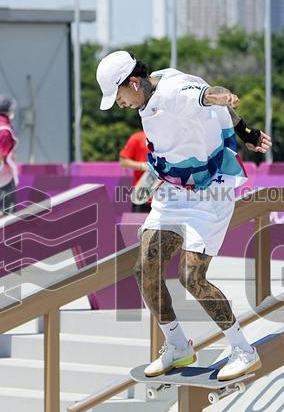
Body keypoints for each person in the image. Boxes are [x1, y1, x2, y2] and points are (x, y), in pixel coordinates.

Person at [96, 50, 271, 382]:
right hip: (173, 192)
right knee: (145, 268)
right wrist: (245, 131)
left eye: (119, 97)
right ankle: (177, 345)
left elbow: (210, 96)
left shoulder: (174, 91)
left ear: (133, 82)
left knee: (192, 278)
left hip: (210, 193)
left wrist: (234, 112)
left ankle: (243, 350)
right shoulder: (151, 88)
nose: (121, 105)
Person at [119, 130, 151, 213]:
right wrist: (143, 166)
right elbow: (123, 161)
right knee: (139, 225)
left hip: (165, 197)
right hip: (142, 195)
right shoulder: (137, 138)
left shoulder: (167, 138)